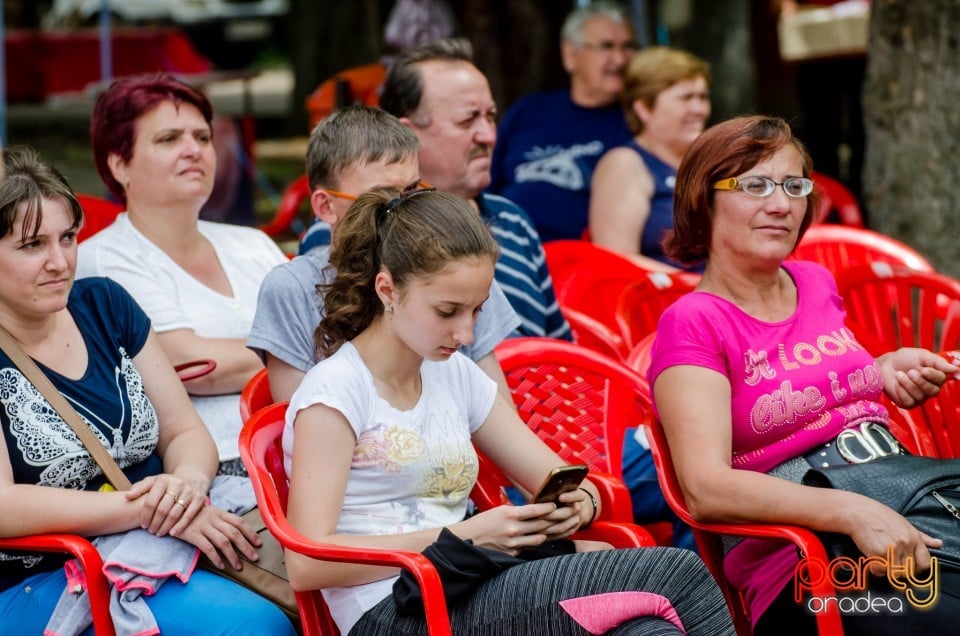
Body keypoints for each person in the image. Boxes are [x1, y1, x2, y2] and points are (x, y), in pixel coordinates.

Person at [282, 186, 736, 636]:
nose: (465, 332)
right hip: (392, 610)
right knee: (674, 573)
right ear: (387, 290)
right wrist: (464, 538)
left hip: (468, 582)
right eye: (447, 311)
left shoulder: (454, 374)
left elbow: (555, 474)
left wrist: (580, 504)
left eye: (476, 311)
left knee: (646, 632)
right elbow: (306, 563)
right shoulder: (337, 390)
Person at [648, 114, 960, 635]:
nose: (781, 204)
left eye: (794, 186)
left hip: (908, 505)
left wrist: (880, 370)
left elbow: (808, 378)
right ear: (703, 200)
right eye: (755, 185)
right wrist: (850, 512)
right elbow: (704, 486)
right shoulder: (694, 321)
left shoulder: (814, 281)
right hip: (810, 569)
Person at [0, 146, 295, 634]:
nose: (59, 261)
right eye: (32, 245)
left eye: (68, 238)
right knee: (255, 627)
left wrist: (186, 488)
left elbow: (184, 432)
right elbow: (4, 505)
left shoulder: (104, 304)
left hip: (166, 534)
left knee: (327, 586)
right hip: (49, 573)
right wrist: (145, 508)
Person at [77, 74, 288, 474]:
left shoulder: (252, 242)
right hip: (217, 466)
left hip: (310, 444)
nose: (194, 150)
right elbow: (192, 367)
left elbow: (330, 333)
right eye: (169, 139)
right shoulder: (104, 261)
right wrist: (304, 350)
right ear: (120, 163)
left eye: (203, 137)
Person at [248, 104, 520, 403]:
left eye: (413, 191)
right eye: (384, 198)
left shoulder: (454, 273)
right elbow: (297, 422)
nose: (404, 210)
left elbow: (497, 404)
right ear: (326, 206)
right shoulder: (294, 288)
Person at [379, 37, 571, 341]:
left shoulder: (512, 220)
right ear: (407, 135)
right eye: (468, 120)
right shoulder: (363, 224)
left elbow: (561, 348)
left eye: (490, 117)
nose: (489, 136)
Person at [488, 2, 635, 242]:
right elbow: (488, 181)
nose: (619, 59)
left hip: (577, 259)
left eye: (628, 47)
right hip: (499, 245)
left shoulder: (636, 119)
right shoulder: (529, 111)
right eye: (606, 47)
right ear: (570, 54)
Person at [589, 46, 711, 271]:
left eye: (702, 97)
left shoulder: (710, 158)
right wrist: (703, 288)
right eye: (686, 98)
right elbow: (617, 260)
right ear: (644, 108)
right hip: (669, 300)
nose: (699, 109)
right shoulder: (625, 164)